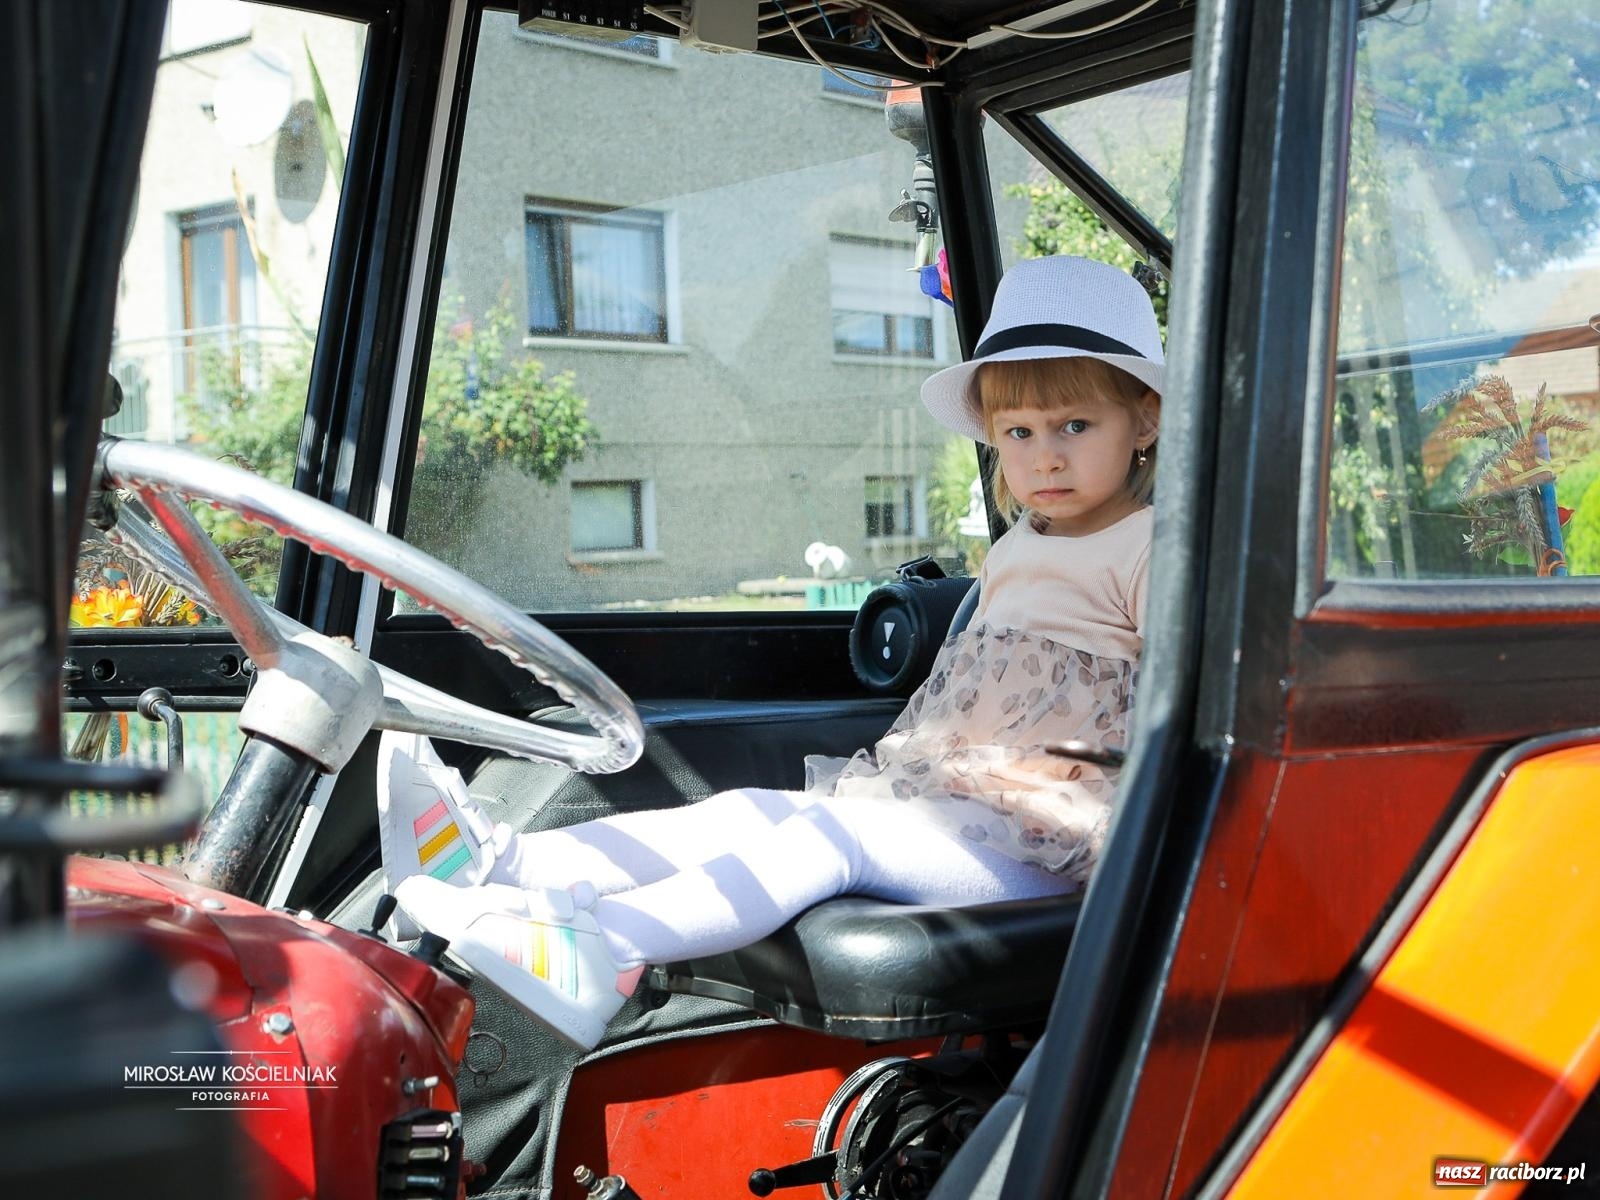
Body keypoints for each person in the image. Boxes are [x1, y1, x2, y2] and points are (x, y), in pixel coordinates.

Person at [383, 254, 1163, 1050]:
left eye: (1075, 425)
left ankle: (602, 949)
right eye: (1020, 433)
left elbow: (1185, 703)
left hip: (1047, 847)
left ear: (1145, 419)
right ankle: (501, 864)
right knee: (750, 810)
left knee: (830, 842)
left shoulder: (1152, 548)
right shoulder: (1017, 549)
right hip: (953, 809)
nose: (1046, 456)